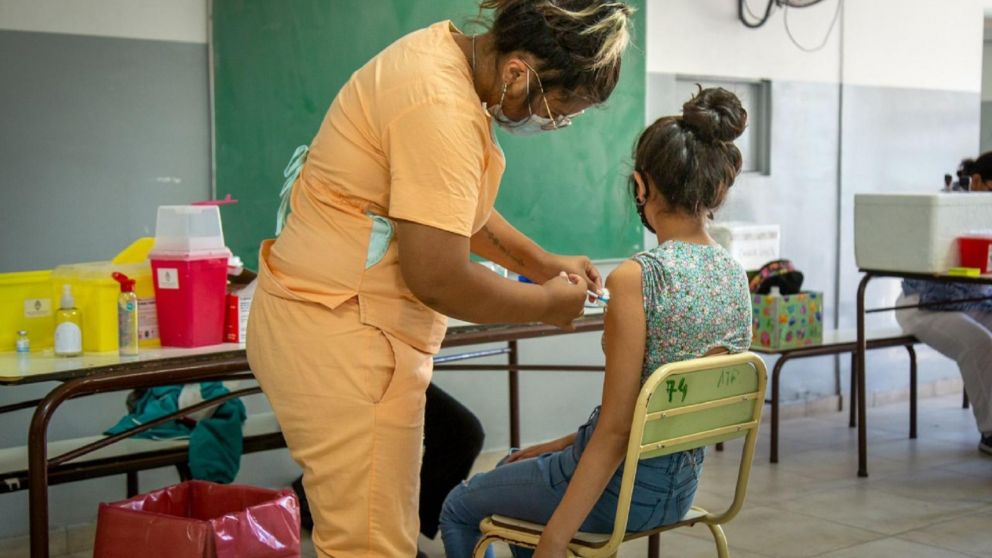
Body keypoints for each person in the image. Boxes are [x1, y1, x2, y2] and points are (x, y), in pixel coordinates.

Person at [245, 1, 635, 555]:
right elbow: (438, 276)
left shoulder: (438, 57)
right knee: (371, 545)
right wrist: (546, 305)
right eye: (556, 109)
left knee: (375, 528)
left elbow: (447, 208)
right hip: (342, 334)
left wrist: (542, 265)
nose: (551, 124)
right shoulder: (440, 106)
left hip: (324, 317)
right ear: (518, 70)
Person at [439, 87, 752, 558]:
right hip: (680, 491)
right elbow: (644, 415)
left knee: (460, 507)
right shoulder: (734, 275)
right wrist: (554, 445)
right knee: (519, 462)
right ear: (717, 187)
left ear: (641, 187)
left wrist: (554, 541)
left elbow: (616, 433)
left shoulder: (640, 279)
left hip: (621, 491)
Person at [292, 384, 486, 545]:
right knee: (379, 434)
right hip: (335, 371)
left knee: (463, 432)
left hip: (388, 367)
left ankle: (400, 526)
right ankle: (376, 532)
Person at [895, 152, 992, 456]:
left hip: (972, 300)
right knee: (980, 345)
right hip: (923, 305)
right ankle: (991, 431)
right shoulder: (943, 208)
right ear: (976, 181)